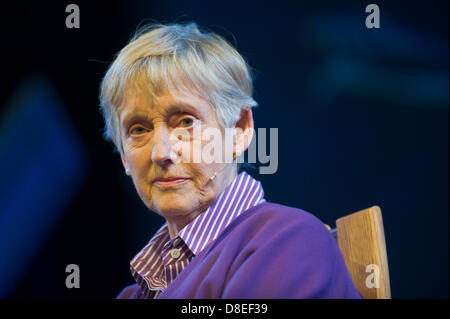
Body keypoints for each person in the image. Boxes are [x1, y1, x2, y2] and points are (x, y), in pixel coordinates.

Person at [99, 21, 362, 299]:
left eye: (186, 122)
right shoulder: (133, 295)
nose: (161, 153)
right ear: (123, 154)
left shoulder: (290, 240)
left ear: (239, 129)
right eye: (138, 130)